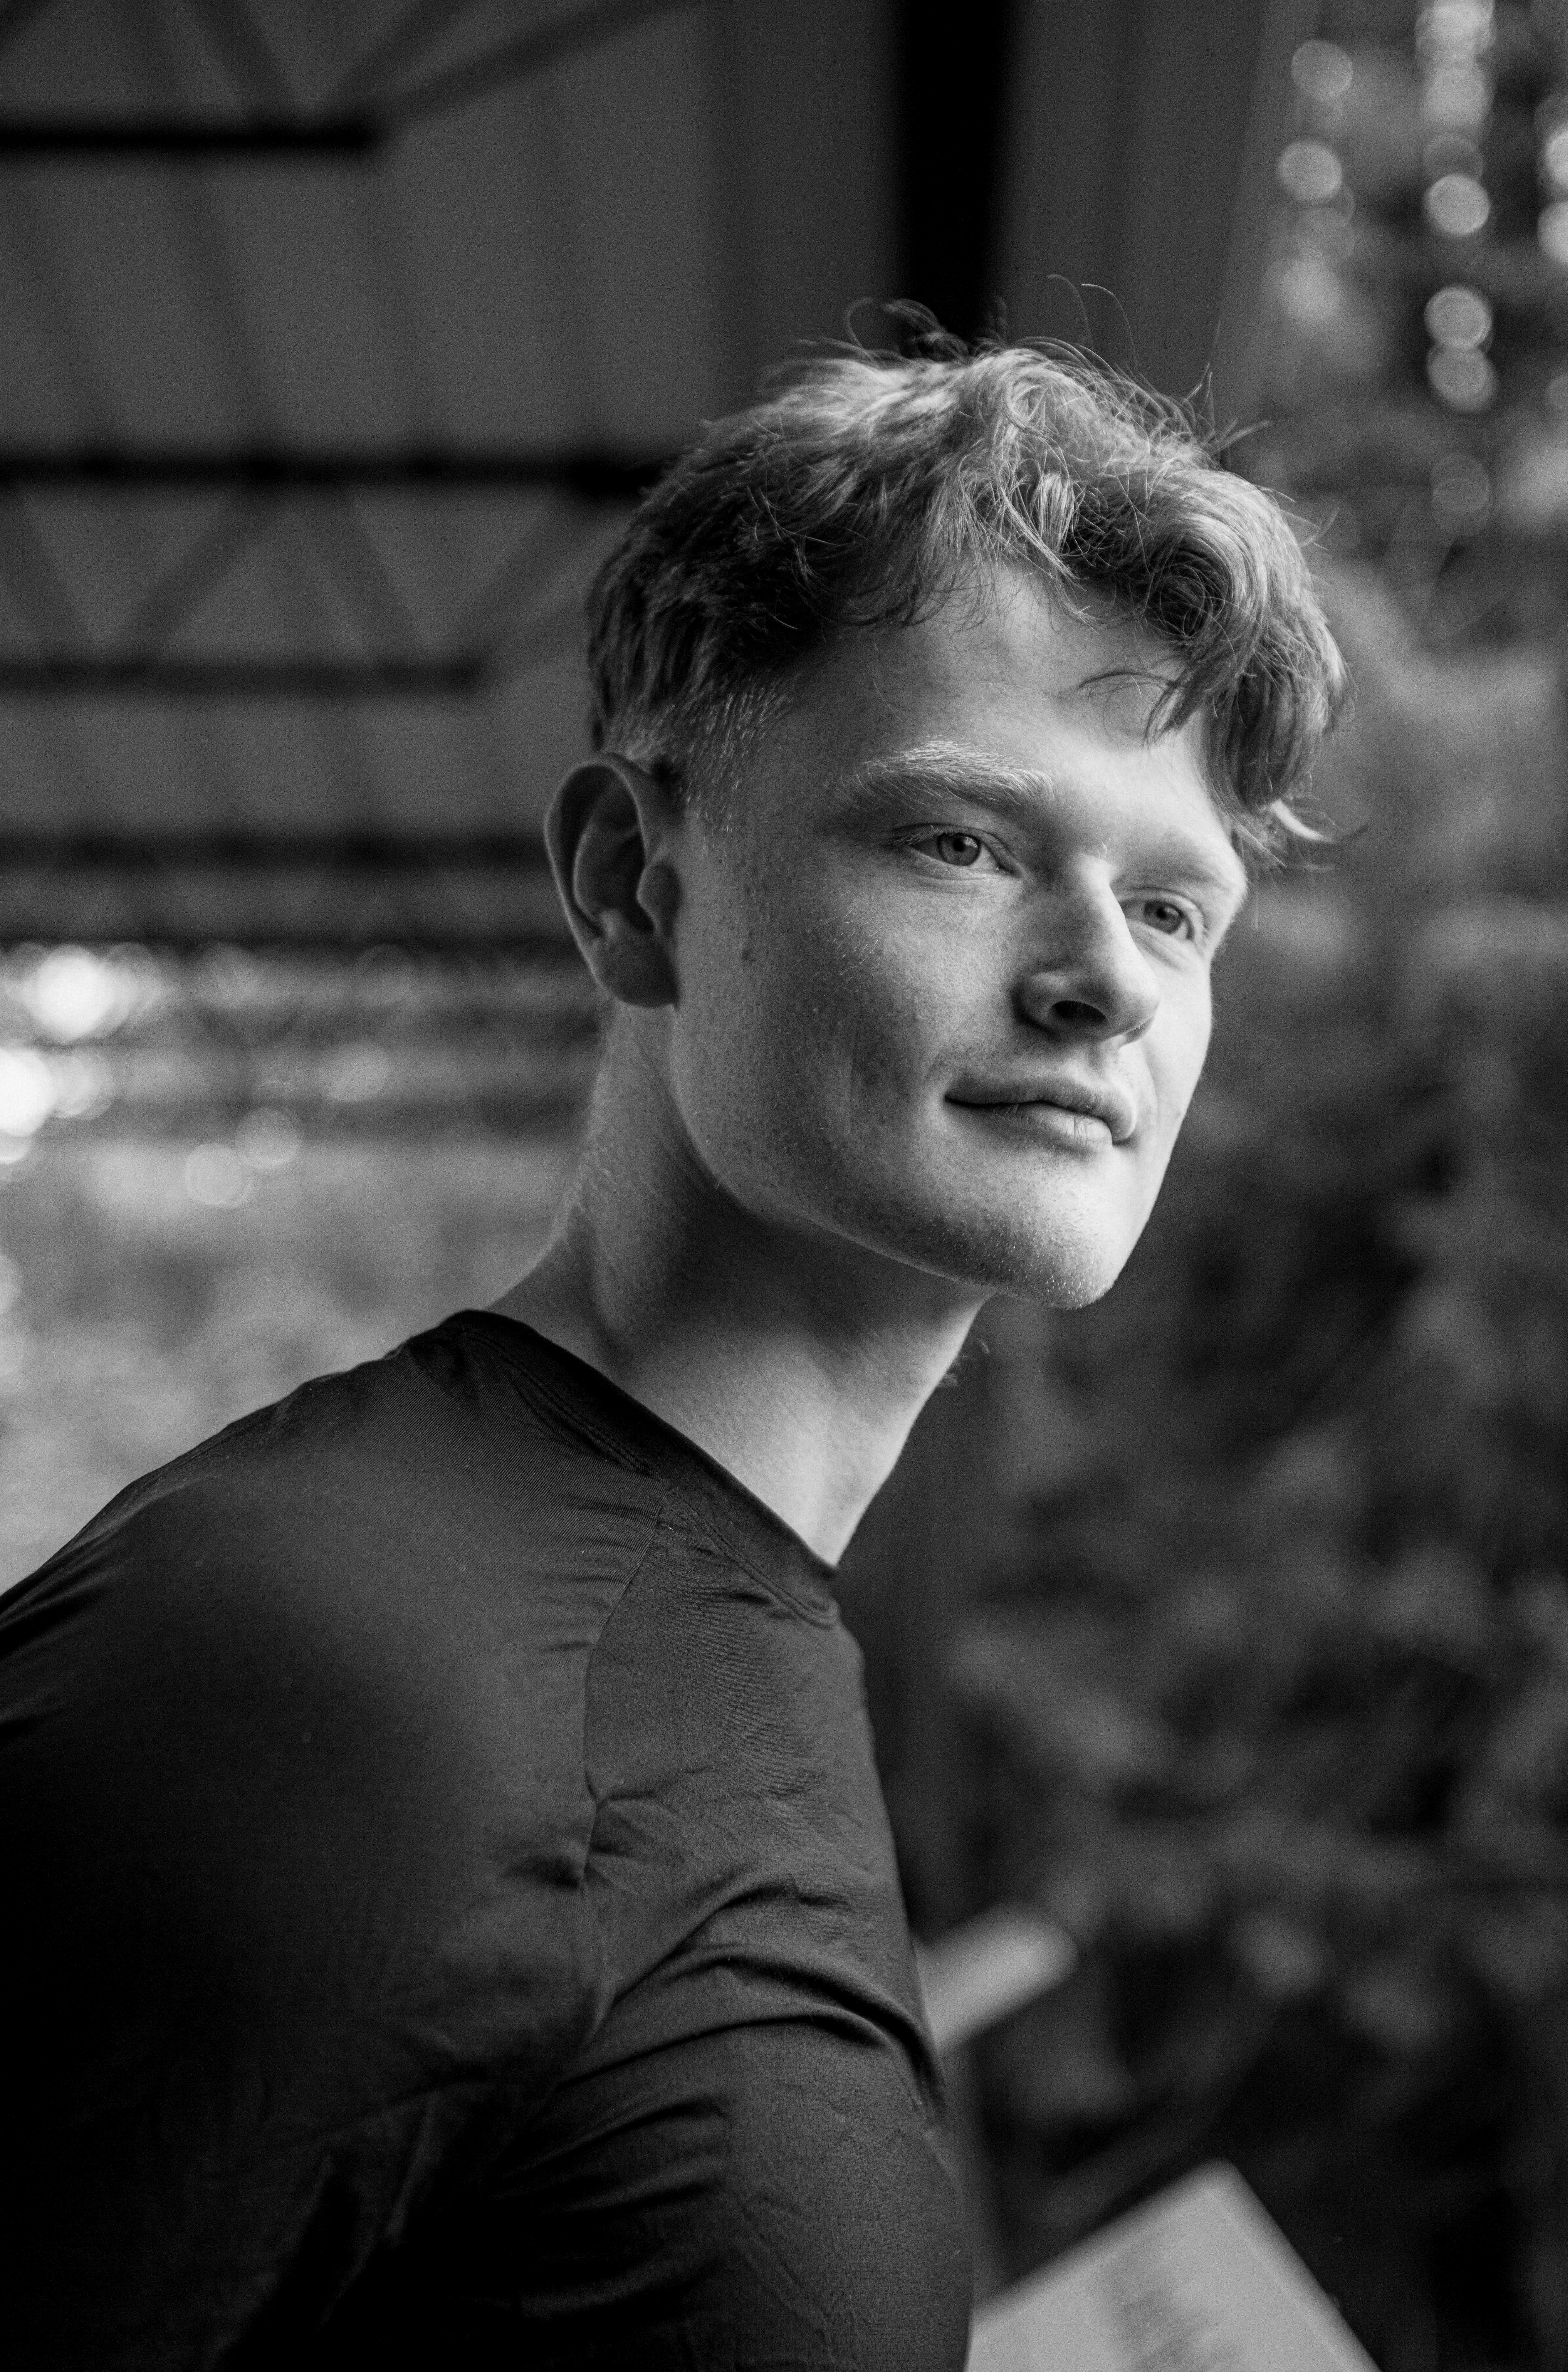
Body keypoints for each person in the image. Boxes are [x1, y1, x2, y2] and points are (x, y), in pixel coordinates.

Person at [1, 335, 1344, 2368]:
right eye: (965, 845)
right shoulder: (331, 1675)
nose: (1101, 985)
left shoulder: (701, 1648)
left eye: (1174, 911)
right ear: (635, 887)